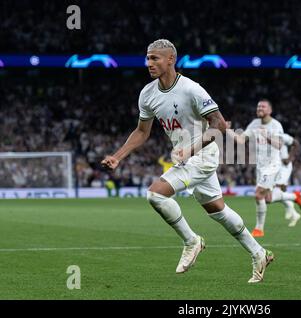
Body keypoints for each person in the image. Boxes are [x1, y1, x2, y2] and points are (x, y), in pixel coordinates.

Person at [101, 39, 273, 283]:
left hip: (202, 156)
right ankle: (259, 253)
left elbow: (219, 125)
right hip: (186, 157)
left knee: (156, 194)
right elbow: (141, 131)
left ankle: (192, 241)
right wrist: (117, 156)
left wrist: (190, 149)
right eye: (148, 58)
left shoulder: (192, 89)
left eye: (155, 58)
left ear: (171, 59)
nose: (148, 63)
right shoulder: (147, 94)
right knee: (217, 210)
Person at [229, 99, 301, 237]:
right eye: (258, 106)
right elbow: (240, 140)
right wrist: (227, 129)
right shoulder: (254, 124)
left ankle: (259, 229)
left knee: (258, 194)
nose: (259, 108)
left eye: (263, 106)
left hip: (273, 165)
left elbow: (280, 145)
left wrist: (267, 137)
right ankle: (294, 196)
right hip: (260, 167)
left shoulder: (276, 125)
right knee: (267, 199)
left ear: (270, 110)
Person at [274, 133, 301, 227]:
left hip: (284, 167)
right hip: (276, 167)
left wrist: (290, 158)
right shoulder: (264, 138)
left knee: (276, 190)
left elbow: (296, 144)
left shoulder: (282, 136)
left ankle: (295, 198)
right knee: (279, 191)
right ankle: (294, 213)